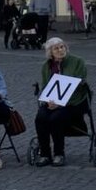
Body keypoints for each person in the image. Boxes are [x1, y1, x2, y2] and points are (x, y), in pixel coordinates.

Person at [33, 38, 88, 167]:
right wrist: (49, 101)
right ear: (50, 52)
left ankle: (59, 153)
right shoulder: (46, 66)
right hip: (53, 100)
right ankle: (45, 154)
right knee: (40, 117)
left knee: (56, 118)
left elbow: (79, 83)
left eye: (62, 47)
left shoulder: (77, 62)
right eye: (56, 48)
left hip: (74, 101)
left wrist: (61, 102)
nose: (60, 50)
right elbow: (46, 86)